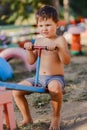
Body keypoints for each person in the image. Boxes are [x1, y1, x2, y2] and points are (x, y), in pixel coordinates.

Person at [12, 5, 71, 130]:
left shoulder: (60, 40)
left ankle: (56, 117)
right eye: (41, 25)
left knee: (54, 87)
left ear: (57, 25)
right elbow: (31, 61)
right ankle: (27, 118)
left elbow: (66, 61)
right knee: (16, 91)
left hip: (55, 78)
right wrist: (29, 49)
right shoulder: (38, 41)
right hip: (38, 78)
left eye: (48, 25)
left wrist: (58, 48)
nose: (44, 28)